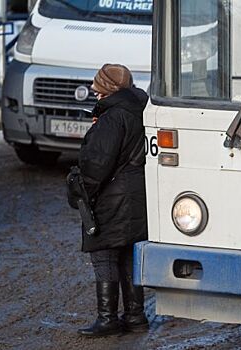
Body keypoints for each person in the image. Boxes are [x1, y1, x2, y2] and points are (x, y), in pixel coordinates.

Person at [76, 64, 149, 337]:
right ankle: (136, 316)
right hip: (136, 194)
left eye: (98, 90)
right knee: (129, 254)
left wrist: (82, 192)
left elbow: (97, 164)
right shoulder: (140, 108)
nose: (95, 95)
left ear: (107, 89)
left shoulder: (112, 118)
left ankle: (107, 319)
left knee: (104, 254)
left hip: (112, 196)